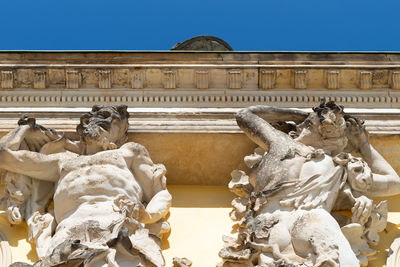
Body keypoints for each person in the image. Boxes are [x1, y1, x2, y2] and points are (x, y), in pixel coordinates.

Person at [220, 100, 400, 266]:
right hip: (312, 222)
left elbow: (245, 115)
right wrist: (363, 144)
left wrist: (298, 115)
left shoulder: (281, 145)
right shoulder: (339, 165)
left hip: (266, 226)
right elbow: (394, 183)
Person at [1, 105, 171, 267]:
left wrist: (147, 215)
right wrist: (25, 129)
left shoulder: (128, 153)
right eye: (100, 118)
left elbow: (160, 194)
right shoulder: (63, 162)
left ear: (118, 132)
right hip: (66, 237)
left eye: (111, 121)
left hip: (119, 230)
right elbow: (5, 157)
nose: (101, 123)